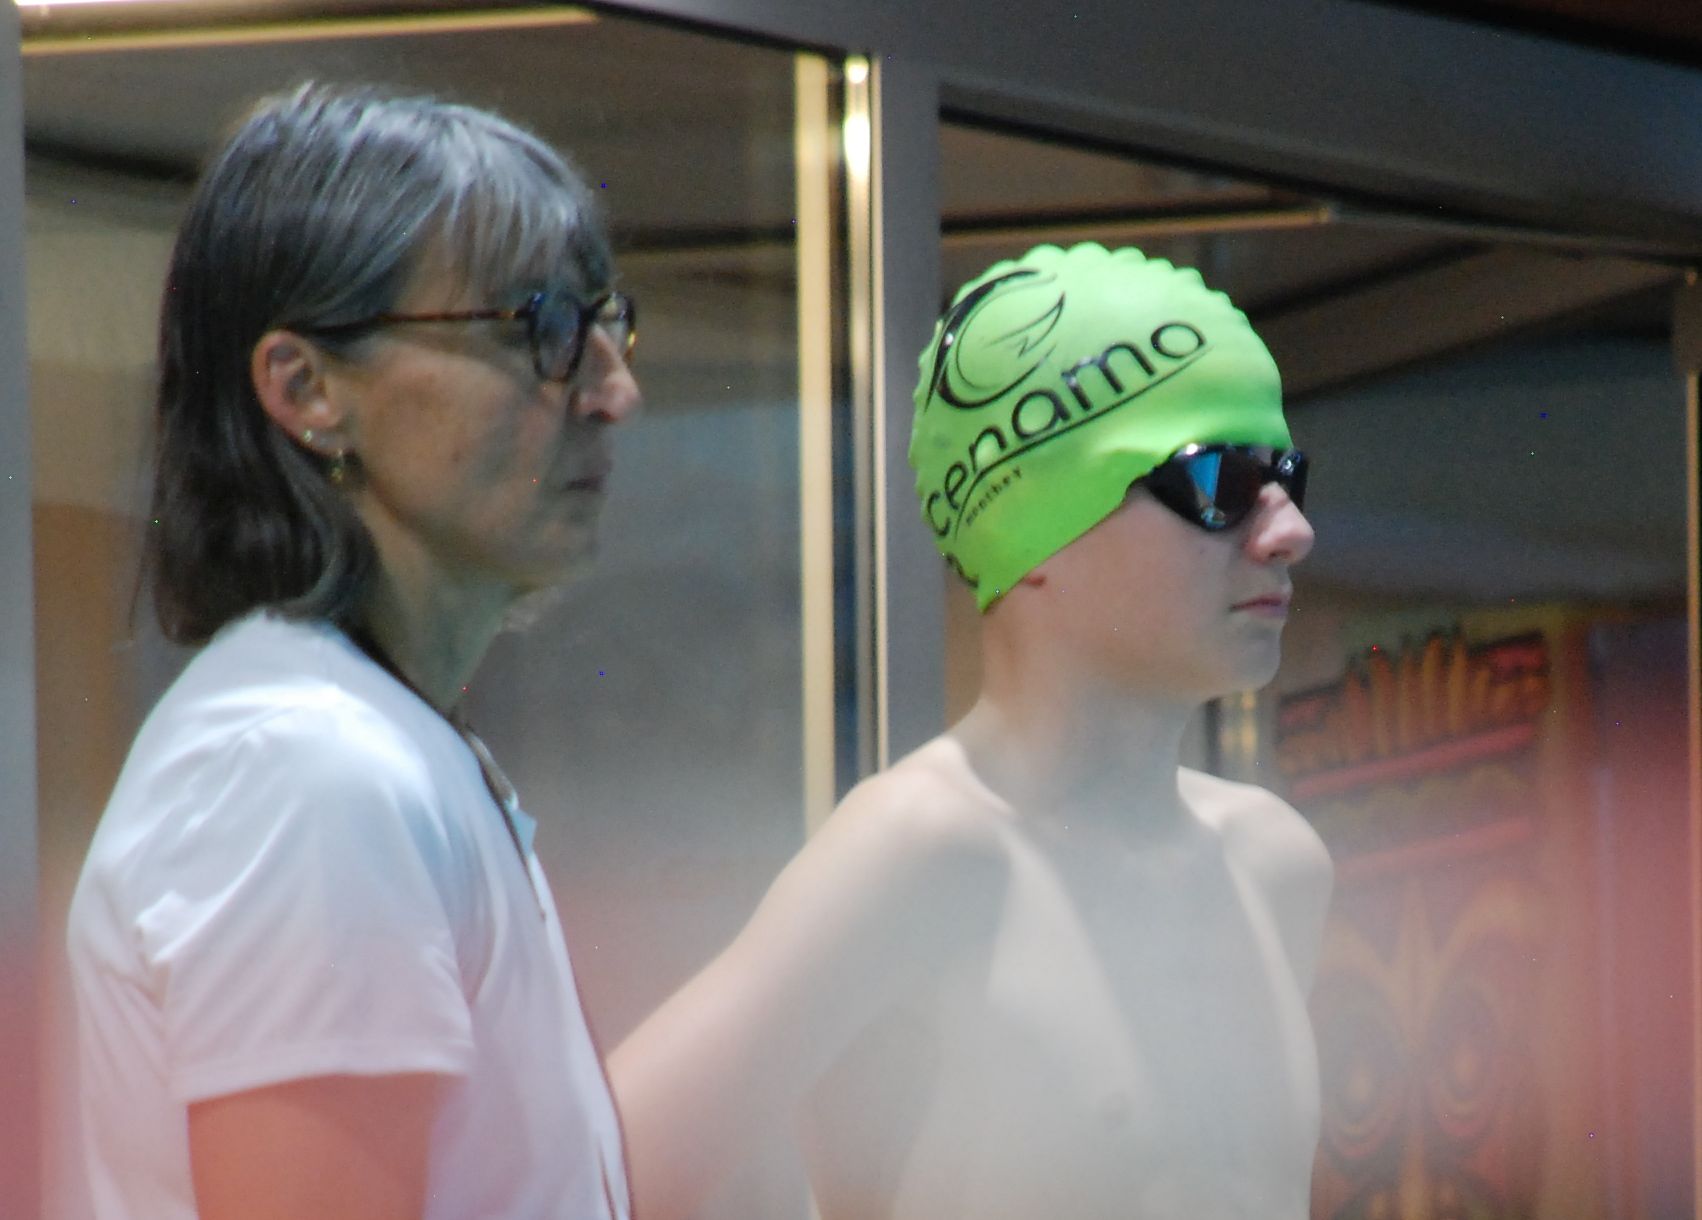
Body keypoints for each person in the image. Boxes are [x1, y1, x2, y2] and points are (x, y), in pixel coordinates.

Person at [609, 242, 1332, 1220]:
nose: (1289, 532)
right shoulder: (922, 851)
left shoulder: (1275, 866)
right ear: (1033, 523)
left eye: (1285, 476)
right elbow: (581, 1178)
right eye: (1218, 483)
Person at [66, 82, 640, 1220]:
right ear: (307, 388)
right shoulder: (305, 771)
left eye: (605, 324)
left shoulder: (367, 741)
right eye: (538, 328)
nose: (614, 390)